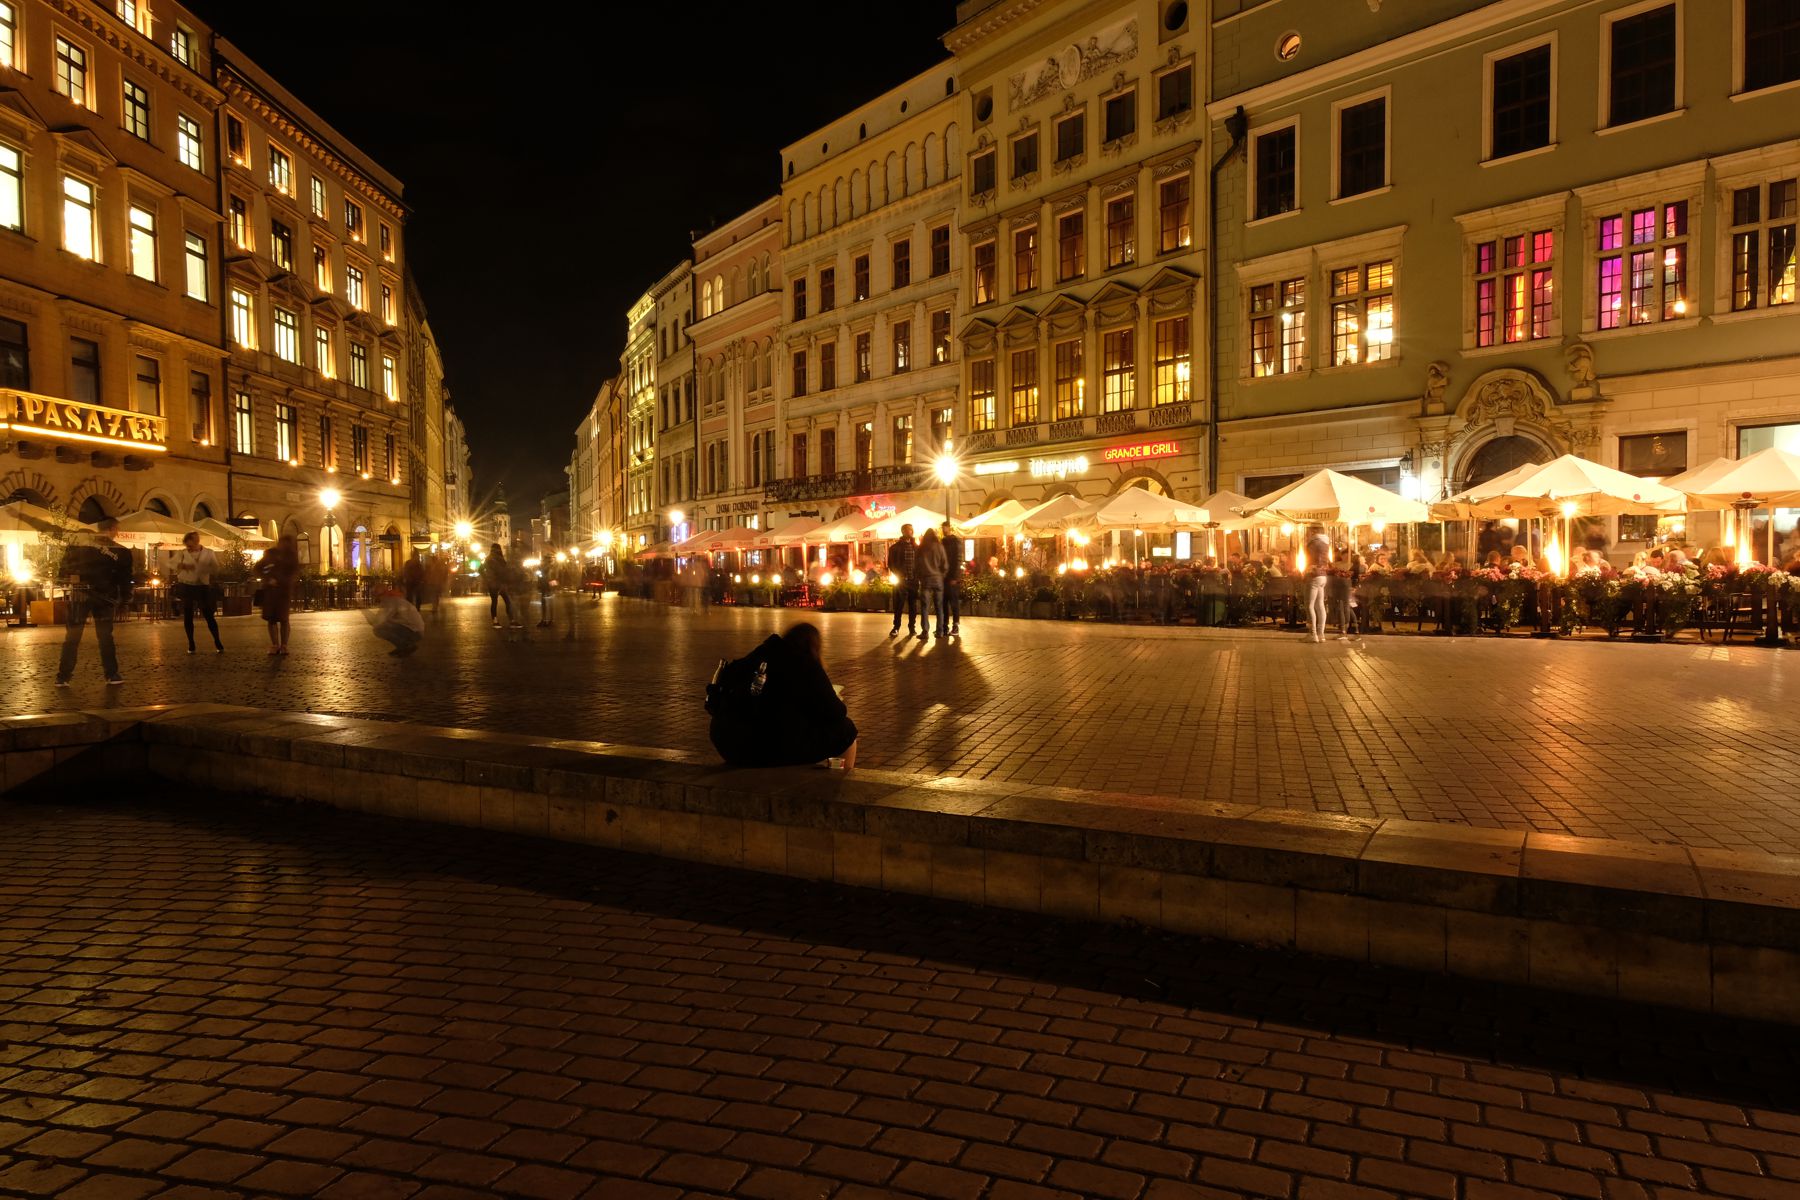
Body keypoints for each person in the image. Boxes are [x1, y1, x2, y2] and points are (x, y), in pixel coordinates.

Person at [707, 622, 858, 769]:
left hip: (725, 741)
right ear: (814, 647)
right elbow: (837, 712)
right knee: (846, 729)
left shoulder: (764, 652)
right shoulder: (805, 662)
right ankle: (843, 782)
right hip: (758, 747)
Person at [54, 516, 134, 686]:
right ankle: (111, 674)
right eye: (116, 530)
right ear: (112, 529)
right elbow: (125, 578)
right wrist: (125, 598)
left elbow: (63, 569)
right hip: (105, 597)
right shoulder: (121, 551)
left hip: (80, 594)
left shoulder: (79, 545)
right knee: (105, 636)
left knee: (72, 636)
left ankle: (63, 676)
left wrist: (71, 579)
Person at [173, 530, 224, 655]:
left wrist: (204, 568)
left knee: (208, 615)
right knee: (188, 614)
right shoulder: (183, 553)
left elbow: (216, 568)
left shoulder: (208, 552)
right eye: (188, 544)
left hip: (202, 586)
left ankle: (217, 641)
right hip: (186, 585)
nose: (189, 547)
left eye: (192, 544)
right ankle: (191, 643)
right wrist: (182, 567)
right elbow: (175, 567)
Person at [258, 533, 300, 655]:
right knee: (271, 619)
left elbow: (294, 572)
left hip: (284, 592)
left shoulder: (291, 556)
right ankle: (275, 644)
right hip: (270, 592)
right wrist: (267, 578)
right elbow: (258, 568)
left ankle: (284, 645)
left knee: (284, 619)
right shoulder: (270, 553)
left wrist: (284, 581)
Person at [887, 523, 918, 638]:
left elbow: (919, 564)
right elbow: (891, 564)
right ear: (903, 532)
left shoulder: (916, 547)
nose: (909, 532)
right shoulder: (895, 548)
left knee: (912, 605)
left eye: (910, 530)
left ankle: (912, 627)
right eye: (907, 530)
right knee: (899, 605)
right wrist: (899, 574)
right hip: (901, 580)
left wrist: (917, 576)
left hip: (913, 580)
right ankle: (896, 627)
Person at [916, 527, 947, 639]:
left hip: (926, 580)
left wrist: (920, 577)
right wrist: (941, 576)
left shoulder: (921, 548)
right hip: (938, 580)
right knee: (939, 606)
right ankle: (940, 631)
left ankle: (925, 631)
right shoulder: (940, 547)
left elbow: (917, 565)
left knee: (925, 607)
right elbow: (945, 565)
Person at [1303, 524, 1330, 643]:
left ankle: (1312, 634)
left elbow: (1313, 558)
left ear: (1314, 531)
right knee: (1320, 604)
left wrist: (1309, 569)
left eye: (1308, 531)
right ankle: (1321, 634)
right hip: (1323, 575)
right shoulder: (1326, 543)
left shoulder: (1314, 543)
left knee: (1309, 604)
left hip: (1314, 574)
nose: (1307, 533)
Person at [481, 543, 517, 627]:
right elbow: (504, 571)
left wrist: (487, 578)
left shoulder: (491, 558)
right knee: (504, 601)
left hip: (497, 583)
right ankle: (509, 620)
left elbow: (481, 569)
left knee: (500, 601)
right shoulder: (493, 559)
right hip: (496, 583)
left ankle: (497, 620)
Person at [941, 522, 963, 636]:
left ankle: (955, 626)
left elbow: (957, 560)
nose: (943, 529)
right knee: (944, 602)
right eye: (942, 528)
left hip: (952, 577)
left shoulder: (955, 541)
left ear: (949, 528)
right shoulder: (943, 541)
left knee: (953, 603)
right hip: (944, 577)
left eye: (944, 527)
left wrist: (955, 576)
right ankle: (945, 626)